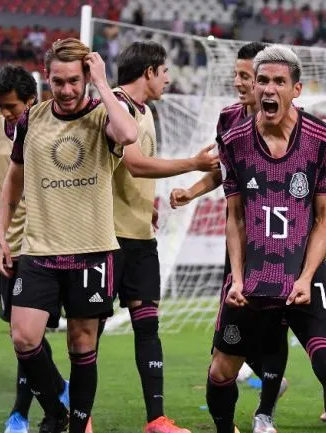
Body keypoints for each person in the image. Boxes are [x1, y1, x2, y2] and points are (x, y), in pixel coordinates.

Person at [207, 45, 326, 433]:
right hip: (254, 277)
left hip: (306, 274)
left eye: (278, 82)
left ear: (297, 89)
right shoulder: (234, 140)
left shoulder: (325, 140)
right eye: (262, 81)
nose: (269, 89)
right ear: (254, 87)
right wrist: (237, 278)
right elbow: (235, 216)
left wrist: (307, 277)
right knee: (222, 371)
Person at [0, 38, 137, 433]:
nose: (68, 90)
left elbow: (127, 134)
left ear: (86, 78)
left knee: (82, 345)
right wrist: (1, 236)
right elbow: (12, 181)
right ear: (47, 78)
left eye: (75, 81)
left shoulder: (102, 116)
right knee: (23, 337)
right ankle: (57, 407)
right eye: (59, 82)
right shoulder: (31, 120)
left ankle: (75, 425)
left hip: (92, 250)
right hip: (40, 249)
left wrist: (104, 85)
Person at [170, 42, 292, 433]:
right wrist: (191, 191)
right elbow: (226, 172)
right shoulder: (228, 119)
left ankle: (265, 414)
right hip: (240, 241)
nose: (241, 84)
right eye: (240, 76)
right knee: (233, 323)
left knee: (275, 329)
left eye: (247, 77)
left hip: (281, 246)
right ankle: (233, 399)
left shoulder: (294, 122)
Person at [106, 40, 217, 433]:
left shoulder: (146, 112)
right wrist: (193, 163)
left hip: (138, 236)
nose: (169, 78)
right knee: (87, 332)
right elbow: (135, 164)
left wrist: (147, 203)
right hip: (105, 238)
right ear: (149, 71)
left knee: (147, 325)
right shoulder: (115, 105)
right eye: (164, 71)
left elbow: (129, 173)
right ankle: (77, 416)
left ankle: (156, 419)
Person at [0, 64, 69, 433]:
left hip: (47, 244)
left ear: (32, 100)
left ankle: (21, 413)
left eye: (12, 107)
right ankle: (59, 393)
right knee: (21, 337)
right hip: (10, 246)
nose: (6, 114)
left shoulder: (51, 126)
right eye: (1, 107)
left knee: (27, 336)